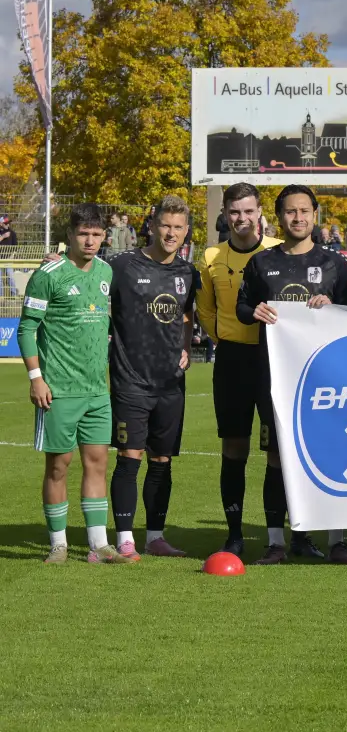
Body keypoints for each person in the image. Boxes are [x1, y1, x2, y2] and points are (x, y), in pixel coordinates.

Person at [236, 185, 347, 564]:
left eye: (305, 211)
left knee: (331, 455)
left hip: (327, 379)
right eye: (290, 211)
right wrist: (253, 311)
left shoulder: (335, 263)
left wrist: (332, 306)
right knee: (276, 457)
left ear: (315, 215)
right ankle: (276, 542)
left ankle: (334, 540)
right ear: (280, 216)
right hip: (276, 380)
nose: (298, 218)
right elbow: (242, 307)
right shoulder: (261, 262)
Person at [23, 205, 132, 564]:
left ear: (104, 237)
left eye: (96, 234)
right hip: (57, 390)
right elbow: (26, 329)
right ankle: (58, 544)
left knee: (97, 462)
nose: (90, 240)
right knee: (58, 465)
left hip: (97, 392)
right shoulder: (48, 274)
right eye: (83, 233)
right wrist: (36, 379)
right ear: (69, 235)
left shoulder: (105, 270)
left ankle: (99, 545)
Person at [105, 196, 201, 560]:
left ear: (186, 231)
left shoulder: (188, 273)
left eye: (178, 227)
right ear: (152, 225)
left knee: (162, 460)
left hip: (170, 383)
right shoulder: (123, 265)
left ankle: (156, 536)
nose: (171, 233)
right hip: (131, 379)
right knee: (130, 455)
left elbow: (187, 315)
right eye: (165, 225)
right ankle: (126, 536)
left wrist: (186, 349)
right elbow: (90, 279)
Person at [196, 183, 284, 559]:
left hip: (274, 359)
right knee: (234, 447)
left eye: (249, 211)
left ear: (260, 212)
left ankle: (277, 536)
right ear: (226, 215)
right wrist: (224, 337)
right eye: (235, 212)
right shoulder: (211, 255)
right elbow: (205, 308)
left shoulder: (279, 251)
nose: (242, 219)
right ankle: (233, 534)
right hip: (232, 361)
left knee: (278, 451)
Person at [0, 215, 19, 295]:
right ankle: (1, 297)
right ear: (1, 223)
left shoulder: (12, 233)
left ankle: (13, 295)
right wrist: (3, 237)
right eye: (5, 223)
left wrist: (12, 256)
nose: (8, 225)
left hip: (8, 258)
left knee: (10, 276)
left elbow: (15, 247)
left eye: (8, 223)